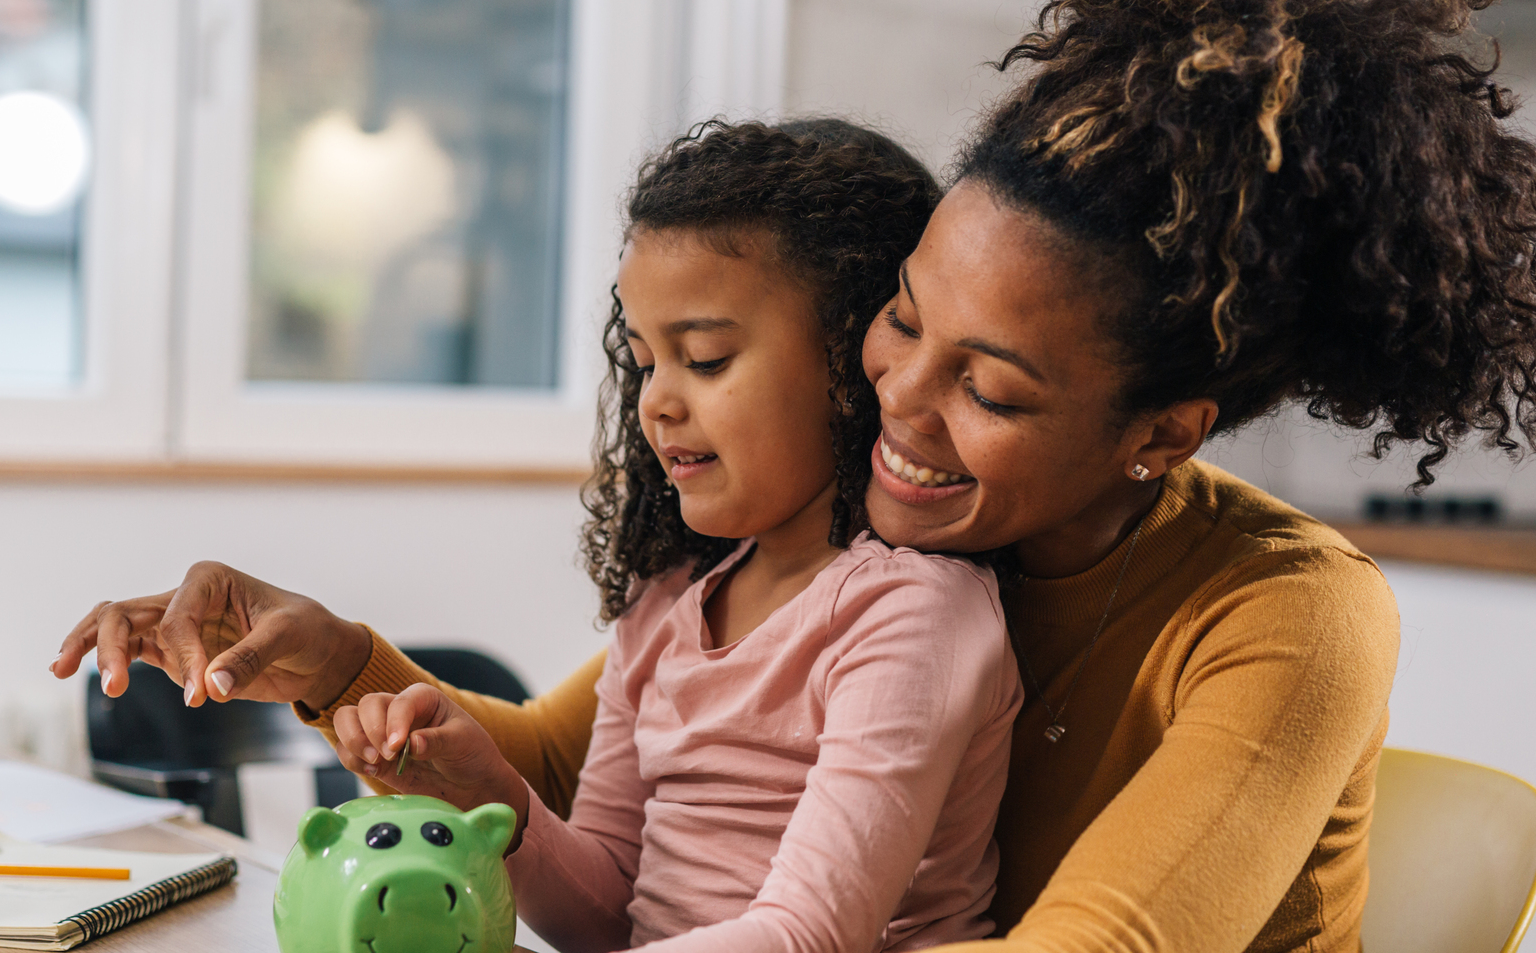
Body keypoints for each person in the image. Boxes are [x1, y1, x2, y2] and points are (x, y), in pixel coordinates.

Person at [53, 0, 1536, 953]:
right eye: (903, 320)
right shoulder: (847, 552)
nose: (894, 403)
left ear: (1158, 437)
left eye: (990, 389)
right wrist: (336, 666)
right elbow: (587, 780)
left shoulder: (1284, 615)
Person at [330, 119, 1021, 953]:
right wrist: (498, 800)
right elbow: (606, 916)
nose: (655, 400)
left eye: (705, 359)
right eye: (645, 358)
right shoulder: (663, 607)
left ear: (849, 362)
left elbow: (809, 934)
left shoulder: (911, 614)